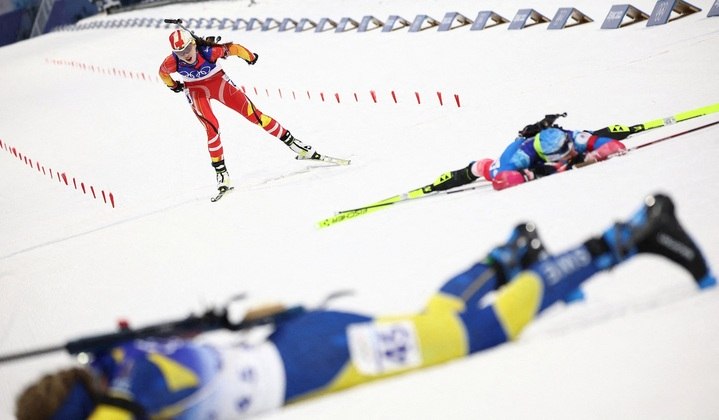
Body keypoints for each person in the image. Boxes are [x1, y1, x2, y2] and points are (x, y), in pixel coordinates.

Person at [15, 193, 715, 419]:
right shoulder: (111, 367)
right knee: (434, 325)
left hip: (318, 358)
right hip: (298, 340)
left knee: (479, 334)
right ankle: (506, 257)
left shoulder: (115, 406)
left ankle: (627, 238)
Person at [159, 29, 322, 193]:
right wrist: (173, 85)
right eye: (180, 53)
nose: (185, 55)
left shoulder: (209, 52)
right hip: (196, 91)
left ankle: (295, 145)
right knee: (211, 127)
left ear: (193, 44)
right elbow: (162, 72)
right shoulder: (172, 62)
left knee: (256, 116)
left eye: (187, 49)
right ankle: (221, 173)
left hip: (220, 85)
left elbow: (234, 48)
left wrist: (250, 57)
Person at [428, 113, 627, 192]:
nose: (571, 152)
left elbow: (616, 147)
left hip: (542, 144)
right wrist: (536, 173)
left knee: (587, 137)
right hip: (516, 158)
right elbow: (501, 182)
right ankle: (467, 171)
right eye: (563, 153)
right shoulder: (519, 157)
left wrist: (597, 153)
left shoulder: (566, 138)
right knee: (487, 167)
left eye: (569, 146)